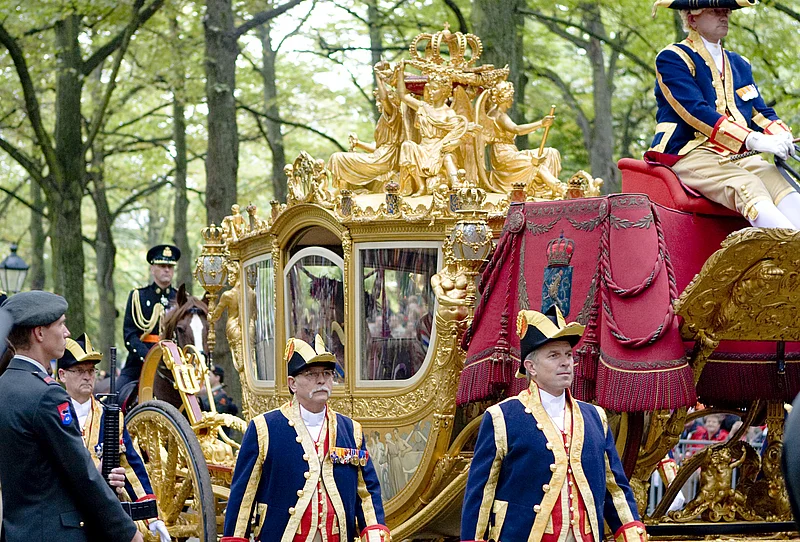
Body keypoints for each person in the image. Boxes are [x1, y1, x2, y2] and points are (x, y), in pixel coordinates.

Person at [461, 306, 646, 542]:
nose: (565, 362)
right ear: (531, 367)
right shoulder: (502, 417)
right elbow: (481, 492)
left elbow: (615, 487)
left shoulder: (595, 417)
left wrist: (630, 531)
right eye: (554, 355)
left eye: (568, 354)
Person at [0, 290, 142, 542]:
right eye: (61, 324)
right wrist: (127, 532)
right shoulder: (47, 395)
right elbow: (80, 473)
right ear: (39, 333)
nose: (66, 332)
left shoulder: (5, 385)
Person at [222, 335, 390, 542]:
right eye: (311, 374)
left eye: (327, 374)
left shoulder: (351, 430)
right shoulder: (264, 428)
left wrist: (374, 533)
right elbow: (243, 496)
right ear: (292, 383)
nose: (321, 380)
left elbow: (366, 491)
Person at [647, 0, 798, 228]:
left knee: (778, 180)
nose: (723, 16)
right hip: (690, 152)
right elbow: (694, 111)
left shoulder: (739, 63)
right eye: (715, 11)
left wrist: (781, 135)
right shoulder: (673, 58)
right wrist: (753, 139)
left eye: (726, 11)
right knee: (746, 184)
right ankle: (789, 254)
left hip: (738, 154)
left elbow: (760, 112)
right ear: (692, 18)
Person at [57, 333, 171, 542]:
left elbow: (131, 466)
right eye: (80, 370)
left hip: (103, 514)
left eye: (91, 371)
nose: (87, 377)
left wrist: (152, 517)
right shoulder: (53, 414)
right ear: (62, 375)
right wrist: (95, 471)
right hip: (63, 515)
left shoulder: (110, 415)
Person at [328, 61, 403, 191]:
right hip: (381, 156)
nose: (378, 103)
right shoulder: (383, 120)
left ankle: (344, 194)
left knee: (337, 158)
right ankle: (344, 195)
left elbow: (385, 98)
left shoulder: (393, 114)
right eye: (377, 100)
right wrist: (358, 143)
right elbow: (378, 149)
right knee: (337, 158)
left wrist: (379, 78)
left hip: (385, 160)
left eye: (379, 100)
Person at [482, 81, 565, 198]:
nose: (513, 100)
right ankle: (560, 188)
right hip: (504, 155)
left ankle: (545, 191)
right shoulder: (500, 116)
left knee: (551, 152)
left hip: (512, 152)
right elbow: (517, 129)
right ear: (507, 98)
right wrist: (541, 123)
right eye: (511, 97)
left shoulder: (496, 112)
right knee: (535, 163)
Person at [397, 63, 469, 196]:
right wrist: (400, 72)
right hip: (423, 148)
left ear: (443, 91)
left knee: (448, 157)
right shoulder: (423, 107)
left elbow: (461, 134)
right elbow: (403, 96)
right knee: (407, 146)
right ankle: (421, 186)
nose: (430, 92)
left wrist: (452, 144)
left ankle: (457, 187)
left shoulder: (449, 113)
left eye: (434, 89)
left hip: (440, 148)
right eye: (429, 89)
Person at [119, 244, 181, 390]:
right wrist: (148, 356)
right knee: (117, 395)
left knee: (199, 403)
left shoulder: (181, 299)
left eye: (170, 267)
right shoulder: (138, 296)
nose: (167, 269)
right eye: (162, 265)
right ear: (152, 268)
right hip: (140, 362)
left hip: (174, 363)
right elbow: (130, 335)